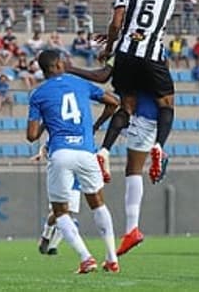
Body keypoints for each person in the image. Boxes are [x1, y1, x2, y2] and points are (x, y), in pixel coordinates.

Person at [26, 49, 120, 274]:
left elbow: (31, 136)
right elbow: (113, 102)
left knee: (60, 211)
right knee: (98, 203)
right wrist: (97, 125)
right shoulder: (78, 83)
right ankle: (112, 258)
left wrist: (47, 122)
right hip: (86, 152)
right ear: (57, 65)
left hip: (61, 154)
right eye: (64, 61)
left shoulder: (38, 94)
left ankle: (86, 258)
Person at [66, 57, 167, 257]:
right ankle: (158, 146)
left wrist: (68, 68)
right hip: (151, 110)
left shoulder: (122, 48)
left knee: (133, 169)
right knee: (134, 167)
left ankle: (105, 151)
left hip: (139, 112)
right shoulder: (154, 47)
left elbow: (101, 76)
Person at [97, 0, 177, 187]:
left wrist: (110, 46)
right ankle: (160, 146)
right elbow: (152, 27)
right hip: (152, 56)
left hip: (125, 55)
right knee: (166, 103)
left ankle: (104, 150)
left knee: (126, 107)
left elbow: (118, 22)